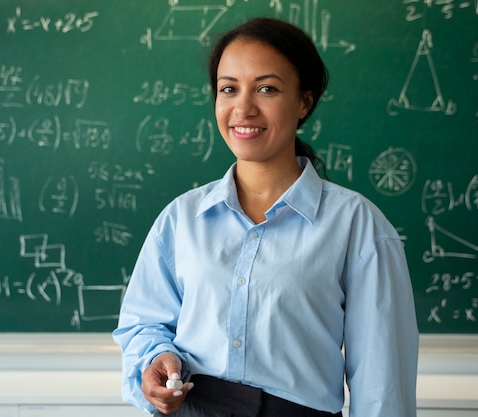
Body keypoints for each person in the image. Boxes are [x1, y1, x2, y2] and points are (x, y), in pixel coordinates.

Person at [113, 17, 419, 417]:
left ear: (304, 101)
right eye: (228, 89)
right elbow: (144, 324)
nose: (243, 108)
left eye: (267, 88)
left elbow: (382, 380)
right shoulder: (181, 219)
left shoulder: (357, 225)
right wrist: (154, 361)